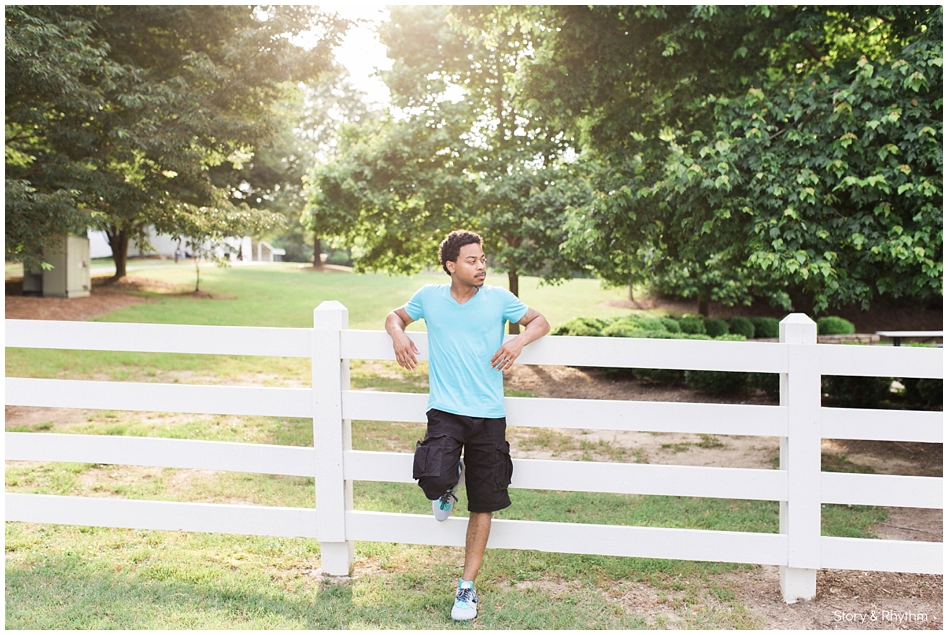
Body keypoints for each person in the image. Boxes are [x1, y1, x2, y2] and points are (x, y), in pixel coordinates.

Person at [385, 230, 550, 621]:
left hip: (489, 415)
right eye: (472, 260)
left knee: (484, 501)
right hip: (445, 409)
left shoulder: (498, 299)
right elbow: (396, 316)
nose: (481, 266)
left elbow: (540, 321)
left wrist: (518, 342)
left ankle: (466, 588)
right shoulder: (429, 297)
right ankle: (446, 484)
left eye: (483, 259)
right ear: (451, 265)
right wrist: (397, 335)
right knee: (432, 477)